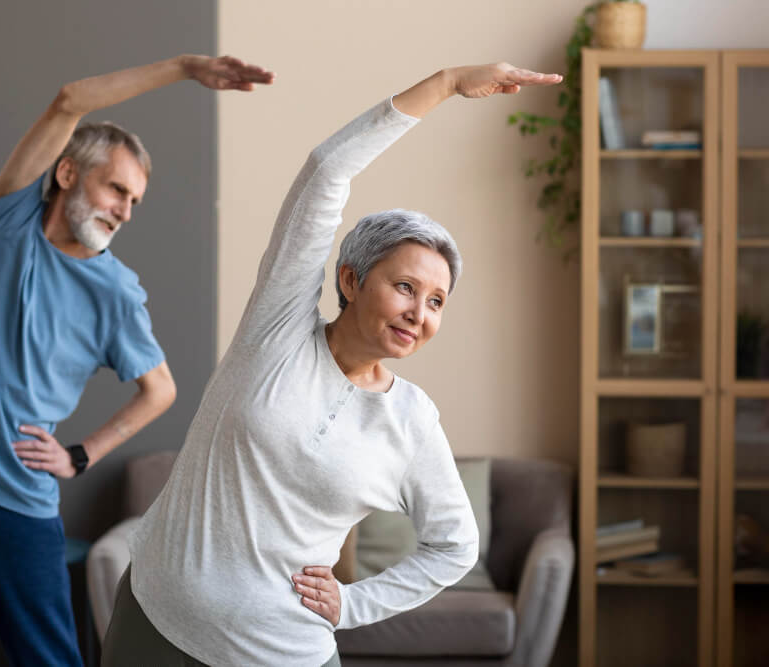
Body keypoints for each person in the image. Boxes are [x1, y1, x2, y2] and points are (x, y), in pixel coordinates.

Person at [101, 61, 562, 666]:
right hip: (154, 626)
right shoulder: (278, 332)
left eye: (437, 301)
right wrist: (447, 84)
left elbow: (455, 545)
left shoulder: (411, 420)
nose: (418, 312)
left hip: (282, 653)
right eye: (404, 286)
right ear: (350, 279)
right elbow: (328, 168)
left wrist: (355, 604)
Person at [0, 54, 275, 666]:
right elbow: (70, 99)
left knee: (50, 659)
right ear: (67, 172)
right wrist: (187, 69)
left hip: (15, 498)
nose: (124, 209)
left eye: (135, 201)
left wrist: (80, 454)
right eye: (116, 188)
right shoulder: (5, 219)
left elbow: (160, 389)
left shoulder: (116, 292)